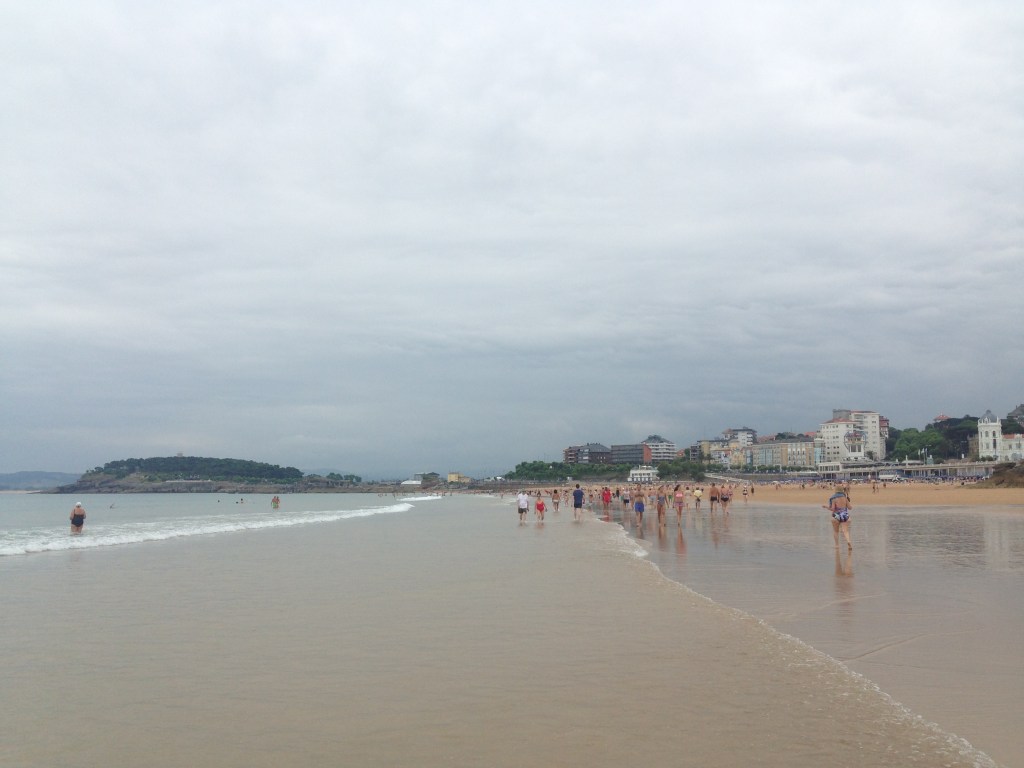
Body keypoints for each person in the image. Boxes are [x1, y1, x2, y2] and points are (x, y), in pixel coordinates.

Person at [824, 485, 853, 549]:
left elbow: (832, 509)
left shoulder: (834, 499)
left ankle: (837, 545)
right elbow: (850, 508)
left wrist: (826, 507)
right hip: (844, 515)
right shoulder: (845, 498)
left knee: (836, 531)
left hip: (836, 515)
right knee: (846, 531)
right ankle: (848, 541)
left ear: (836, 490)